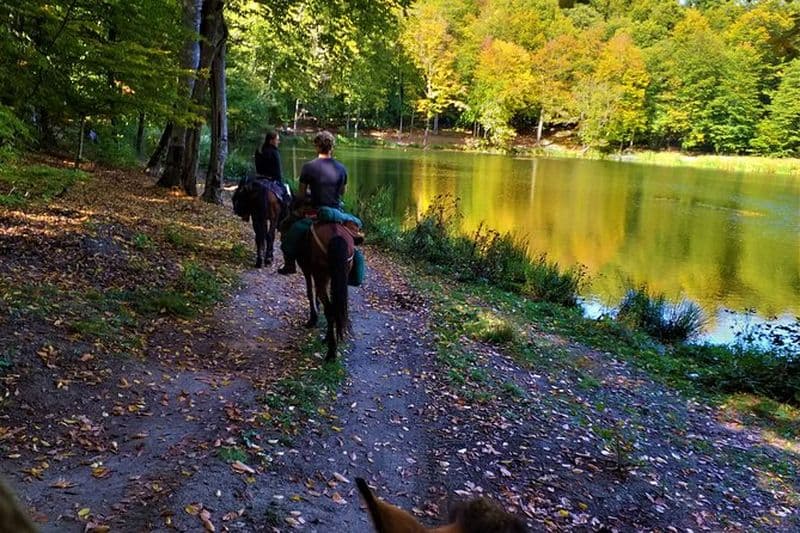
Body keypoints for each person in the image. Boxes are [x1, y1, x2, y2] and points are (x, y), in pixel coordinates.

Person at [278, 130, 348, 275]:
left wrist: (304, 199)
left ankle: (289, 265)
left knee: (285, 226)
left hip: (315, 211)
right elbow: (342, 192)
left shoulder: (309, 167)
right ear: (332, 148)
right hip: (335, 211)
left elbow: (302, 194)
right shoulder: (341, 168)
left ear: (317, 147)